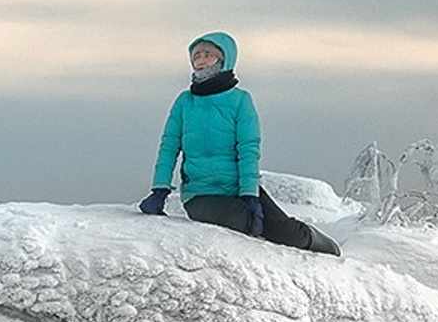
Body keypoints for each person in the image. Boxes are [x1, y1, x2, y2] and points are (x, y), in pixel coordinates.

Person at [139, 32, 340, 256]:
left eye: (209, 55)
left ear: (225, 60)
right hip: (200, 195)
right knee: (239, 220)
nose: (201, 60)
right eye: (197, 56)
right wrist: (160, 189)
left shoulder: (240, 100)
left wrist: (250, 194)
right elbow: (169, 147)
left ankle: (327, 246)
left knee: (288, 233)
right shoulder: (184, 102)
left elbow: (248, 150)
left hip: (238, 188)